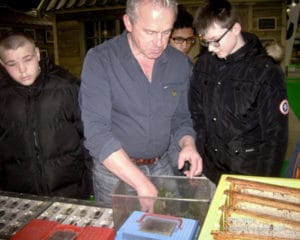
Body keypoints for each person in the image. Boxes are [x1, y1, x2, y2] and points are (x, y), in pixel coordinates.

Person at [79, 0, 202, 212]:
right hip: (115, 172)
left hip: (162, 166)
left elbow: (181, 118)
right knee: (117, 232)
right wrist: (140, 182)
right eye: (150, 32)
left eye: (166, 32)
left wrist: (188, 144)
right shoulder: (100, 60)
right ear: (128, 22)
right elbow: (97, 133)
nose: (159, 43)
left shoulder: (178, 63)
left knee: (170, 225)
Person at [189, 0, 289, 185]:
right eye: (205, 41)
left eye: (216, 41)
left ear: (235, 28)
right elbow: (196, 116)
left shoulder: (265, 71)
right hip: (209, 171)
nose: (210, 48)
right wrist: (197, 158)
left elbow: (275, 137)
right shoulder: (203, 65)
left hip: (248, 174)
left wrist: (262, 185)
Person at [0, 31, 93, 199]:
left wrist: (89, 181)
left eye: (27, 59)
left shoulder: (68, 87)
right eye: (12, 64)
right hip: (20, 195)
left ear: (37, 54)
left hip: (71, 191)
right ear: (2, 64)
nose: (22, 70)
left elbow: (89, 136)